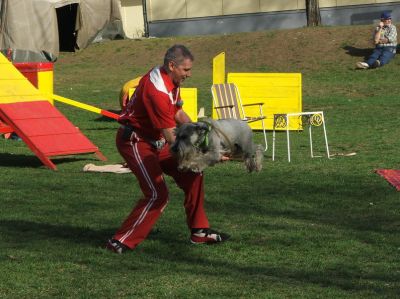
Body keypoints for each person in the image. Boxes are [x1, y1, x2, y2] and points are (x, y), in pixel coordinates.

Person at [106, 44, 230, 253]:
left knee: (193, 172)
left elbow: (177, 113)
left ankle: (199, 232)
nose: (189, 75)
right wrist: (207, 154)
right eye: (186, 70)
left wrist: (200, 133)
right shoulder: (157, 92)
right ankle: (120, 241)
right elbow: (173, 139)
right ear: (172, 65)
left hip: (156, 141)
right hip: (136, 141)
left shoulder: (169, 78)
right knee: (157, 194)